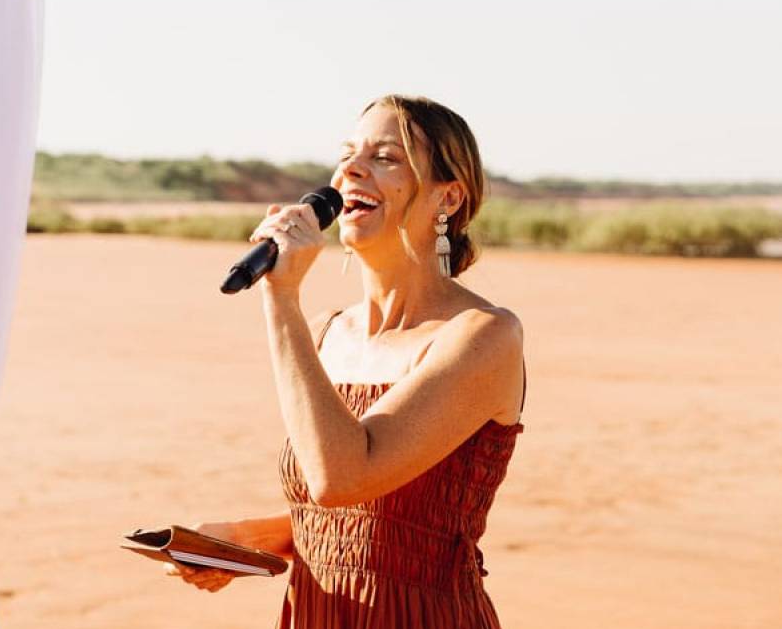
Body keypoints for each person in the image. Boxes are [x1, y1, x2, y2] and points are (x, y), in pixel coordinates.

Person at [164, 94, 527, 628]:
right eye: (347, 154)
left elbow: (343, 478)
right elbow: (361, 520)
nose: (350, 169)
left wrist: (281, 297)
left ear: (447, 197)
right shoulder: (328, 333)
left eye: (386, 157)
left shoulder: (482, 336)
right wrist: (242, 540)